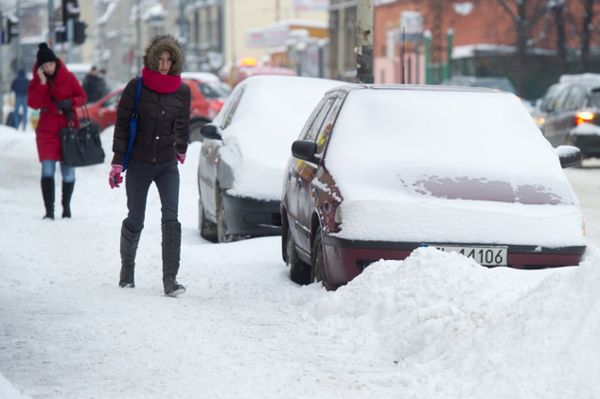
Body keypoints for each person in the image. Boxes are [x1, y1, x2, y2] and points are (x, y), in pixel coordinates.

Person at [109, 35, 191, 297]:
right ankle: (127, 271)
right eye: (160, 59)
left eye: (169, 60)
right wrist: (118, 162)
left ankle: (170, 280)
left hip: (167, 163)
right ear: (152, 59)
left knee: (171, 218)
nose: (164, 64)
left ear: (175, 62)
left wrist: (182, 147)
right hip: (140, 163)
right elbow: (122, 126)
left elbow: (183, 125)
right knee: (136, 217)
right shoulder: (137, 87)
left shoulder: (182, 91)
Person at [27, 43, 87, 220]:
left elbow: (82, 96)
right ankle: (49, 211)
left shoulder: (69, 77)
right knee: (47, 169)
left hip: (68, 128)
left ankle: (66, 206)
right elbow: (33, 103)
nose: (48, 68)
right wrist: (43, 83)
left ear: (56, 63)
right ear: (40, 68)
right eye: (44, 67)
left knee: (68, 171)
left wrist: (70, 103)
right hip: (46, 130)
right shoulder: (37, 82)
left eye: (50, 65)